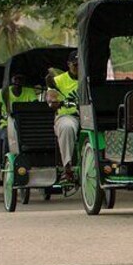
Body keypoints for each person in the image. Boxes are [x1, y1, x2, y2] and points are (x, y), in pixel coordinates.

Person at [46, 51, 79, 183]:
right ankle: (67, 166)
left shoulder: (87, 78)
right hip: (67, 115)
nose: (78, 68)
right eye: (75, 65)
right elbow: (51, 97)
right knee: (67, 127)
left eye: (80, 65)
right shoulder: (58, 80)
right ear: (68, 64)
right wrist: (54, 101)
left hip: (87, 115)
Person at [0, 74, 39, 154]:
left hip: (26, 124)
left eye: (20, 79)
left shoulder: (29, 91)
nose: (18, 81)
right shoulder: (3, 92)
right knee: (7, 136)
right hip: (7, 123)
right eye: (16, 79)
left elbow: (35, 106)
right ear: (11, 80)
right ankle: (5, 160)